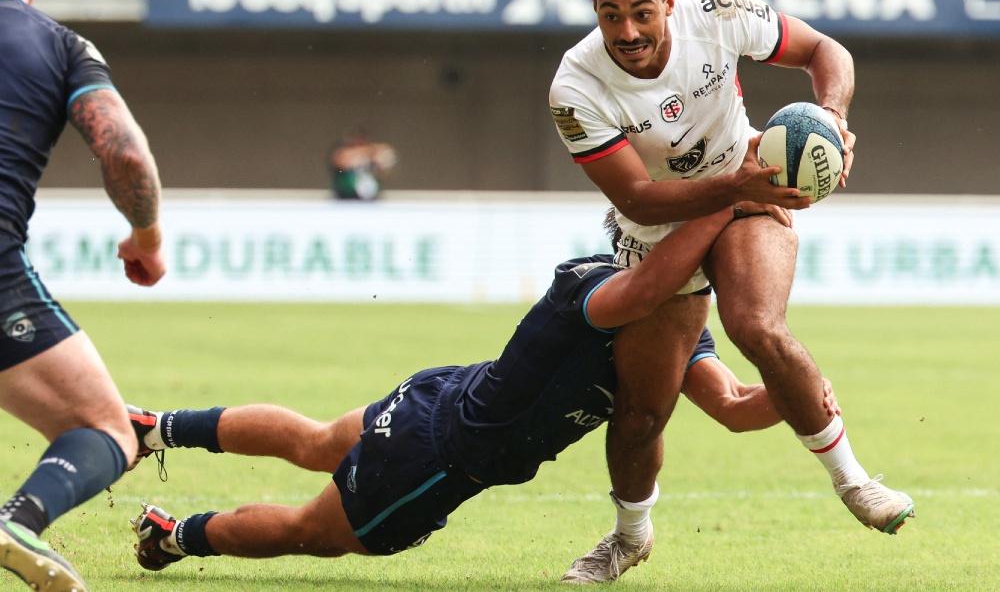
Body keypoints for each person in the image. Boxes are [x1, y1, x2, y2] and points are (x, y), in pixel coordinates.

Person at [123, 203, 834, 578]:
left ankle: (158, 426)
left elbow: (737, 406)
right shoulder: (601, 287)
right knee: (315, 532)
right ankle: (173, 535)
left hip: (441, 395)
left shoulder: (674, 325)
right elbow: (651, 283)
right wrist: (732, 196)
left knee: (314, 440)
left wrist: (801, 389)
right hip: (436, 458)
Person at [548, 0, 913, 582]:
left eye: (641, 12)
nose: (627, 31)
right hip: (657, 229)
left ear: (669, 2)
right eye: (610, 15)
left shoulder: (716, 15)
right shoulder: (575, 86)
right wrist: (735, 188)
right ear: (596, 13)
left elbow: (826, 50)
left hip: (748, 192)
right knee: (641, 410)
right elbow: (639, 196)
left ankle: (855, 483)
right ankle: (630, 536)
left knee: (756, 327)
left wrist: (832, 116)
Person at [0, 0, 167, 589]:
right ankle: (19, 518)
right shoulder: (59, 46)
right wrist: (146, 238)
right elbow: (124, 153)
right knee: (107, 428)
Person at [327, 130, 398, 201]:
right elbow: (342, 161)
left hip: (370, 199)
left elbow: (385, 163)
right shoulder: (341, 153)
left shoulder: (372, 158)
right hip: (345, 198)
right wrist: (368, 152)